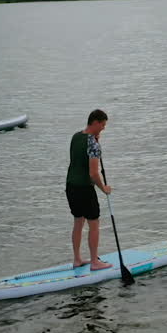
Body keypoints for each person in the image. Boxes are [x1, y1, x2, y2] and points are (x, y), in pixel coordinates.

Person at [66, 109, 113, 271]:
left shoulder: (76, 136)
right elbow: (93, 173)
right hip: (85, 188)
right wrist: (104, 188)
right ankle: (94, 262)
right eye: (102, 125)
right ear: (95, 122)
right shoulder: (93, 143)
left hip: (70, 186)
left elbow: (79, 158)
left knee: (78, 221)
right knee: (94, 223)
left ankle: (77, 259)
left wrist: (95, 140)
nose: (103, 128)